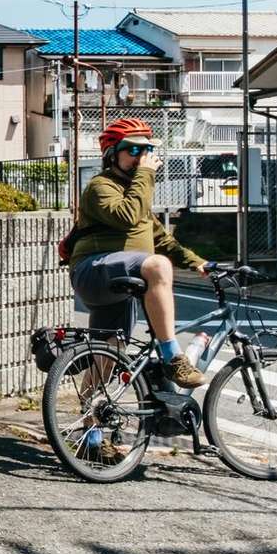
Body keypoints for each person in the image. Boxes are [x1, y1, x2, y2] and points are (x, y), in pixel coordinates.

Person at [68, 117, 210, 388]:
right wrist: (146, 174)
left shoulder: (137, 193)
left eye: (146, 151)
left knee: (110, 353)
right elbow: (126, 216)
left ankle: (89, 425)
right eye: (132, 150)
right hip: (94, 270)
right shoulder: (101, 186)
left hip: (122, 282)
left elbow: (161, 238)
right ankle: (172, 356)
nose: (141, 157)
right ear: (111, 154)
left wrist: (200, 263)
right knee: (157, 265)